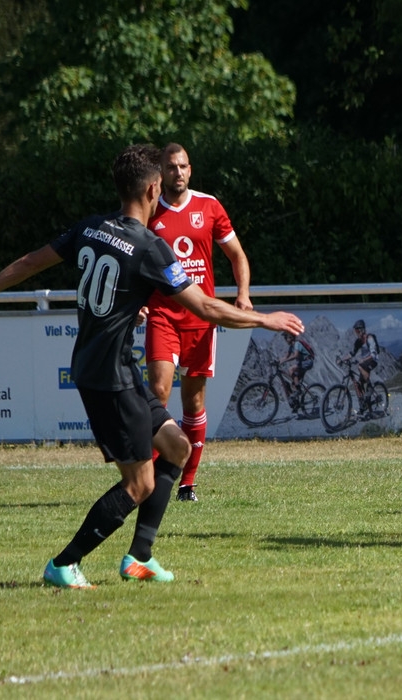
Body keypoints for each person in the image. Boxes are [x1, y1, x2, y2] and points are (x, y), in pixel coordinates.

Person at [0, 144, 304, 588]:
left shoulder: (91, 228)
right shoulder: (149, 247)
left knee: (177, 447)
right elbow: (204, 307)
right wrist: (264, 319)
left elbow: (32, 261)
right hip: (109, 379)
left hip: (106, 368)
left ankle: (140, 557)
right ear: (154, 188)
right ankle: (64, 563)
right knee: (139, 484)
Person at [145, 142, 252, 503]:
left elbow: (237, 255)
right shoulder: (149, 210)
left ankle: (187, 483)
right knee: (158, 392)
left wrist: (243, 294)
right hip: (162, 314)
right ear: (161, 172)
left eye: (183, 166)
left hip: (200, 319)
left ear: (190, 170)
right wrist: (137, 301)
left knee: (193, 402)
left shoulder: (209, 207)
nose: (178, 172)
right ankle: (151, 478)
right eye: (171, 167)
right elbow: (133, 260)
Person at [340, 319, 380, 413]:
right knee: (358, 384)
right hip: (365, 362)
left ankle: (370, 388)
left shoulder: (369, 338)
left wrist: (363, 360)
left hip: (373, 360)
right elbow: (352, 353)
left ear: (362, 330)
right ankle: (364, 405)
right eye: (355, 331)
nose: (356, 333)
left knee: (360, 366)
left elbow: (373, 354)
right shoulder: (358, 342)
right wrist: (342, 359)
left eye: (357, 331)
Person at [281, 331, 316, 411]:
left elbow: (296, 355)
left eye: (286, 337)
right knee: (291, 385)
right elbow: (285, 357)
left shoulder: (297, 344)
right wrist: (278, 361)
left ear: (291, 337)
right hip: (301, 363)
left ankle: (298, 390)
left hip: (307, 362)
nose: (285, 340)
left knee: (291, 369)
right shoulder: (291, 347)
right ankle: (296, 404)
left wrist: (284, 361)